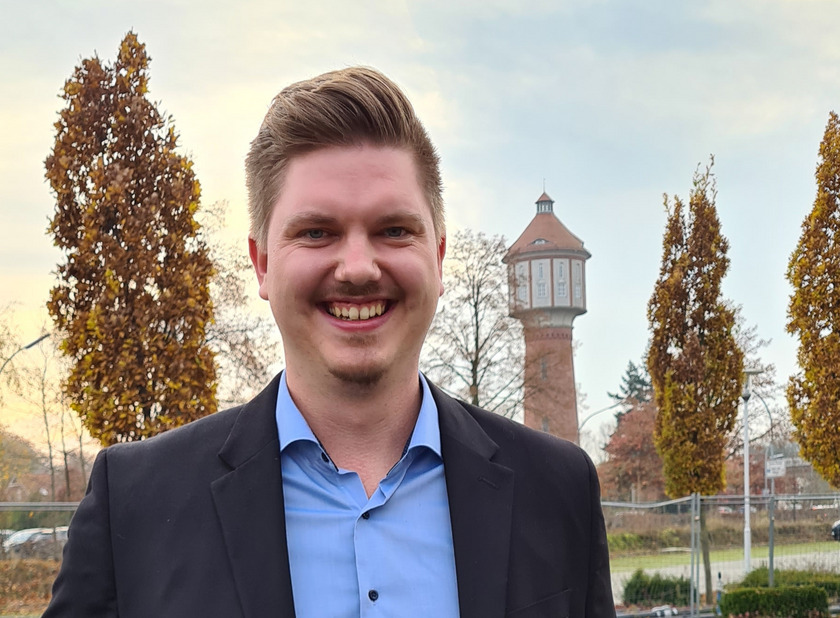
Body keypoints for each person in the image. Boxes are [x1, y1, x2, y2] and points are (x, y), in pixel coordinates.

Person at [43, 67, 614, 618]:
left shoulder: (559, 492)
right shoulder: (137, 505)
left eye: (394, 230)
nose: (359, 268)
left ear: (437, 258)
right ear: (262, 264)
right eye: (317, 232)